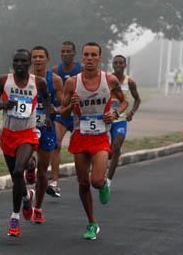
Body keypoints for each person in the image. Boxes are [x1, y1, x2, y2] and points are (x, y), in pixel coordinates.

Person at [61, 42, 127, 240]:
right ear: (82, 58)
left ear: (99, 58)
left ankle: (104, 184)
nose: (89, 58)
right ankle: (92, 222)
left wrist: (115, 114)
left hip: (100, 136)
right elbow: (61, 111)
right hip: (80, 136)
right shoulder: (72, 83)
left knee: (96, 181)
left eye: (93, 55)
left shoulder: (110, 80)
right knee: (82, 183)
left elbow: (124, 102)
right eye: (86, 55)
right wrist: (70, 106)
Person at [0, 49, 51, 237]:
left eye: (23, 61)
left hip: (28, 133)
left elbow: (47, 99)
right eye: (16, 61)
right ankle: (26, 197)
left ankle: (14, 217)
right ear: (13, 62)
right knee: (16, 178)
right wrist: (3, 105)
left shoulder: (38, 82)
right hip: (7, 134)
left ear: (29, 63)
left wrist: (47, 117)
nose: (19, 64)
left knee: (17, 171)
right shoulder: (3, 81)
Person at [28, 46, 63, 224]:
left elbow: (63, 106)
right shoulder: (24, 79)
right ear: (31, 59)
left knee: (42, 172)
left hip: (46, 128)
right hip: (26, 127)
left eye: (41, 56)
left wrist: (55, 109)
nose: (38, 59)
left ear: (47, 59)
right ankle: (29, 165)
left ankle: (38, 207)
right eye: (35, 57)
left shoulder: (55, 80)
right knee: (26, 162)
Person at [48, 41, 82, 198]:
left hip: (78, 115)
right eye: (63, 51)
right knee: (56, 145)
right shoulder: (56, 70)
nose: (65, 54)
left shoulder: (80, 69)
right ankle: (55, 183)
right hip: (62, 114)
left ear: (74, 53)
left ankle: (83, 179)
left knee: (79, 149)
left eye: (68, 51)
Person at [106, 55, 140, 201]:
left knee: (116, 147)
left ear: (125, 65)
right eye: (115, 63)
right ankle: (113, 153)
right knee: (108, 151)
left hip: (120, 120)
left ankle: (107, 182)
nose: (118, 65)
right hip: (106, 119)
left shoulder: (129, 82)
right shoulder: (106, 79)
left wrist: (131, 112)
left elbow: (137, 99)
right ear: (112, 65)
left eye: (121, 63)